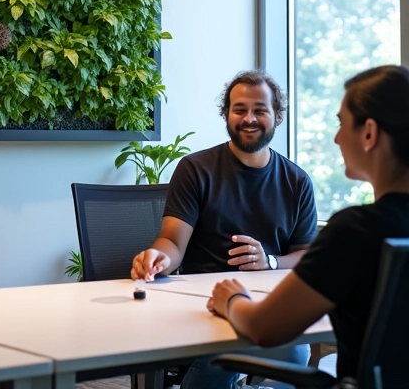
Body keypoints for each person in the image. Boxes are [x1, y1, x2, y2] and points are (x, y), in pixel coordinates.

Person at [208, 65, 409, 385]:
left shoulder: (355, 231)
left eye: (342, 123)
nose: (337, 137)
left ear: (369, 133)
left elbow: (265, 327)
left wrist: (231, 299)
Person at [131, 69, 318, 389]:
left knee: (296, 352)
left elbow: (306, 256)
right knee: (230, 344)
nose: (249, 118)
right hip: (202, 305)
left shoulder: (297, 181)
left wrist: (270, 261)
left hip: (268, 302)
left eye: (260, 109)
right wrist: (157, 257)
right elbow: (172, 242)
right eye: (239, 109)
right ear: (226, 115)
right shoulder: (195, 169)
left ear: (277, 116)